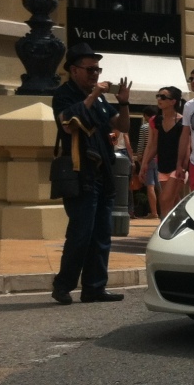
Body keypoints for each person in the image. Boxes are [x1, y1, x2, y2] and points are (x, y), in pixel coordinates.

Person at [51, 43, 131, 305]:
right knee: (80, 233)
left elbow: (122, 125)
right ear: (74, 70)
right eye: (90, 69)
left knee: (101, 234)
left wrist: (124, 103)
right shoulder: (64, 95)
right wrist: (94, 94)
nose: (95, 74)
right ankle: (63, 286)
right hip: (80, 173)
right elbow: (69, 121)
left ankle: (94, 288)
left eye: (98, 69)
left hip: (103, 173)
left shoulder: (99, 99)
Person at [146, 87, 185, 218]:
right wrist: (145, 163)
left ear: (173, 101)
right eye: (158, 96)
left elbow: (186, 145)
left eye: (163, 97)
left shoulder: (182, 121)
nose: (159, 99)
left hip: (177, 167)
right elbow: (154, 144)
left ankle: (163, 231)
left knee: (164, 200)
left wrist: (181, 165)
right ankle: (183, 223)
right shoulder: (158, 120)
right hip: (162, 166)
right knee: (173, 200)